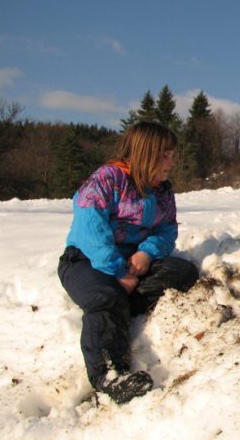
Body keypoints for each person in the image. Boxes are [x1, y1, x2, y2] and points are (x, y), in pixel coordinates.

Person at [58, 121, 198, 404]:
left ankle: (119, 307)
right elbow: (90, 229)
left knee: (183, 272)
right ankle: (110, 376)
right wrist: (119, 271)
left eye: (173, 154)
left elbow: (167, 230)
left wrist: (146, 253)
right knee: (105, 297)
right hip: (87, 261)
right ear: (146, 153)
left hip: (132, 263)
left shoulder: (162, 193)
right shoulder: (107, 179)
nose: (172, 162)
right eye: (165, 155)